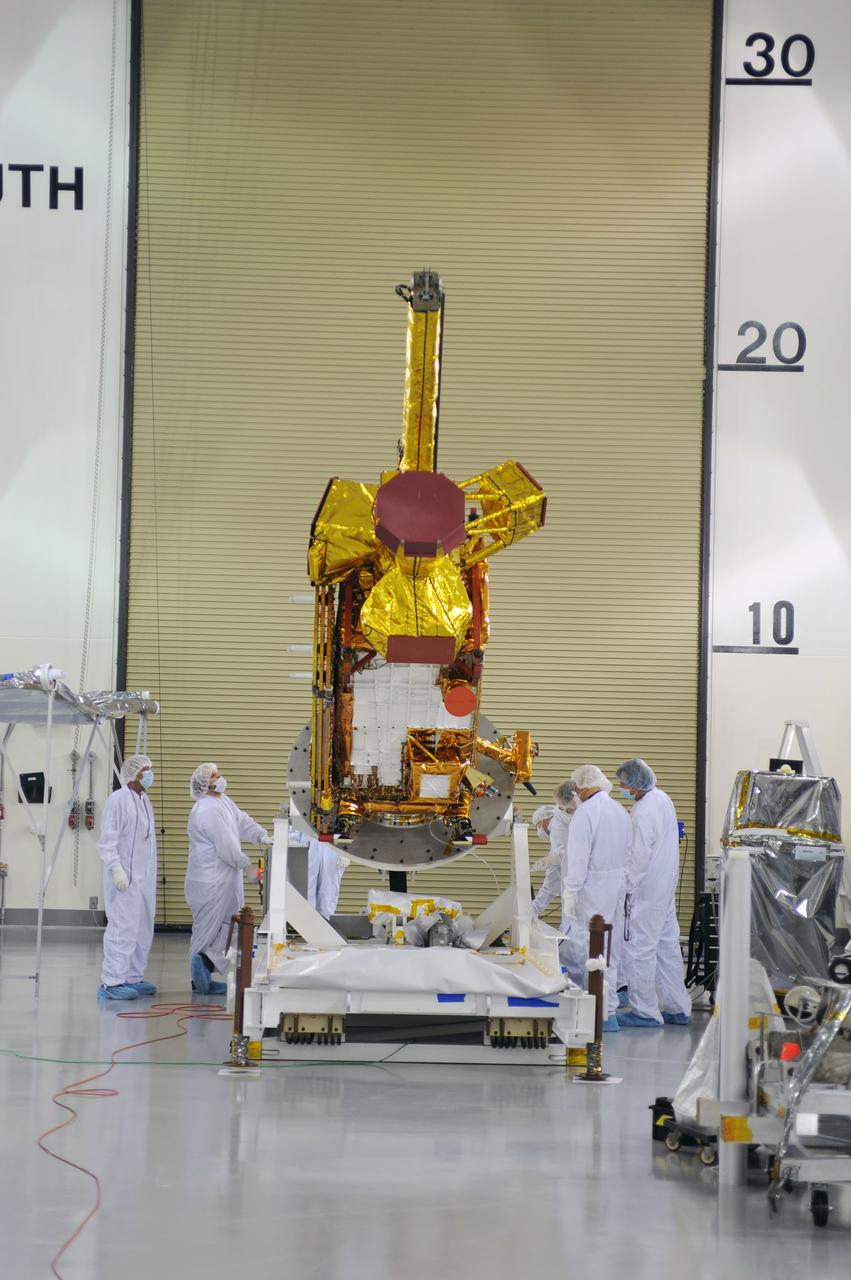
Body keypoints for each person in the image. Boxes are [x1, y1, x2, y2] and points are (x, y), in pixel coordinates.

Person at [615, 758, 692, 1028]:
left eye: (624, 784)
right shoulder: (662, 799)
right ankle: (678, 1008)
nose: (623, 788)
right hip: (664, 887)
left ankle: (645, 1011)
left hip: (645, 890)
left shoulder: (642, 811)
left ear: (636, 782)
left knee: (639, 948)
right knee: (667, 947)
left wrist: (624, 888)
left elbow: (637, 856)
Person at [185, 762, 271, 995]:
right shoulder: (207, 809)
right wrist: (248, 866)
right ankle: (201, 969)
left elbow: (241, 821)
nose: (221, 778)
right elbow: (226, 847)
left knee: (227, 927)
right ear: (206, 784)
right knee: (210, 929)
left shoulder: (222, 801)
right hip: (210, 880)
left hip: (223, 879)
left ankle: (204, 969)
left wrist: (261, 836)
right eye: (215, 776)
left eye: (219, 774)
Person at [562, 764, 629, 1031]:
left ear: (586, 786)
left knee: (587, 946)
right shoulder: (619, 810)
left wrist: (570, 890)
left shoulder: (586, 813)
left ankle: (595, 1010)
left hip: (592, 886)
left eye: (577, 787)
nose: (575, 792)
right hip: (616, 885)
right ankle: (609, 1009)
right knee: (609, 948)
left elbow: (579, 857)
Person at [96, 754, 158, 1001]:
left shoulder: (144, 800)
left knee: (143, 926)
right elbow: (107, 840)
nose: (150, 775)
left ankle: (133, 976)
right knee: (122, 927)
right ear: (133, 775)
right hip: (123, 878)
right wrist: (115, 868)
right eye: (146, 771)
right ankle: (111, 982)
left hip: (144, 878)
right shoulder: (117, 800)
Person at [531, 786, 576, 917]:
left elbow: (563, 858)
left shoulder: (556, 825)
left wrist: (535, 908)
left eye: (538, 825)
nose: (539, 830)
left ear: (545, 819)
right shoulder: (561, 826)